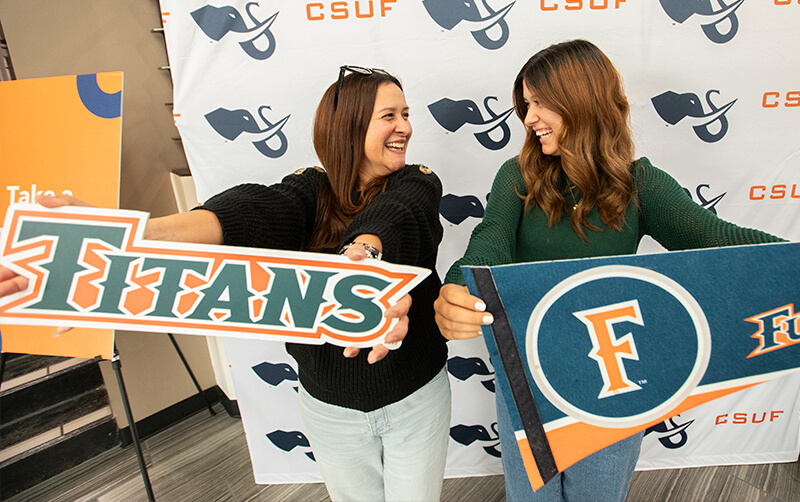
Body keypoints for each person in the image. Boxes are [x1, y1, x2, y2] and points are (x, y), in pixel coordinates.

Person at [0, 66, 450, 502]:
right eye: (389, 116)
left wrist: (363, 256)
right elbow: (250, 211)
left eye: (405, 114)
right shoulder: (310, 190)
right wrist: (132, 236)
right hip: (330, 409)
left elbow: (397, 215)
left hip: (414, 398)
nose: (405, 127)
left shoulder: (419, 181)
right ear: (347, 127)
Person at [432, 39, 787, 501]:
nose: (528, 118)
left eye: (539, 103)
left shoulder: (640, 183)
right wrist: (457, 287)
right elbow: (490, 242)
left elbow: (718, 238)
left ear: (581, 100)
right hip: (528, 374)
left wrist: (792, 262)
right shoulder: (516, 176)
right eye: (526, 105)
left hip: (616, 379)